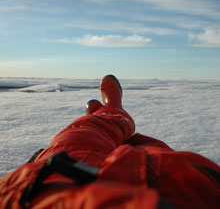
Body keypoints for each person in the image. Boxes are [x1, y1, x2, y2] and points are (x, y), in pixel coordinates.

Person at [0, 75, 219, 208]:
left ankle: (108, 113)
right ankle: (111, 113)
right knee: (149, 150)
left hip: (46, 192)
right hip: (183, 189)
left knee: (82, 136)